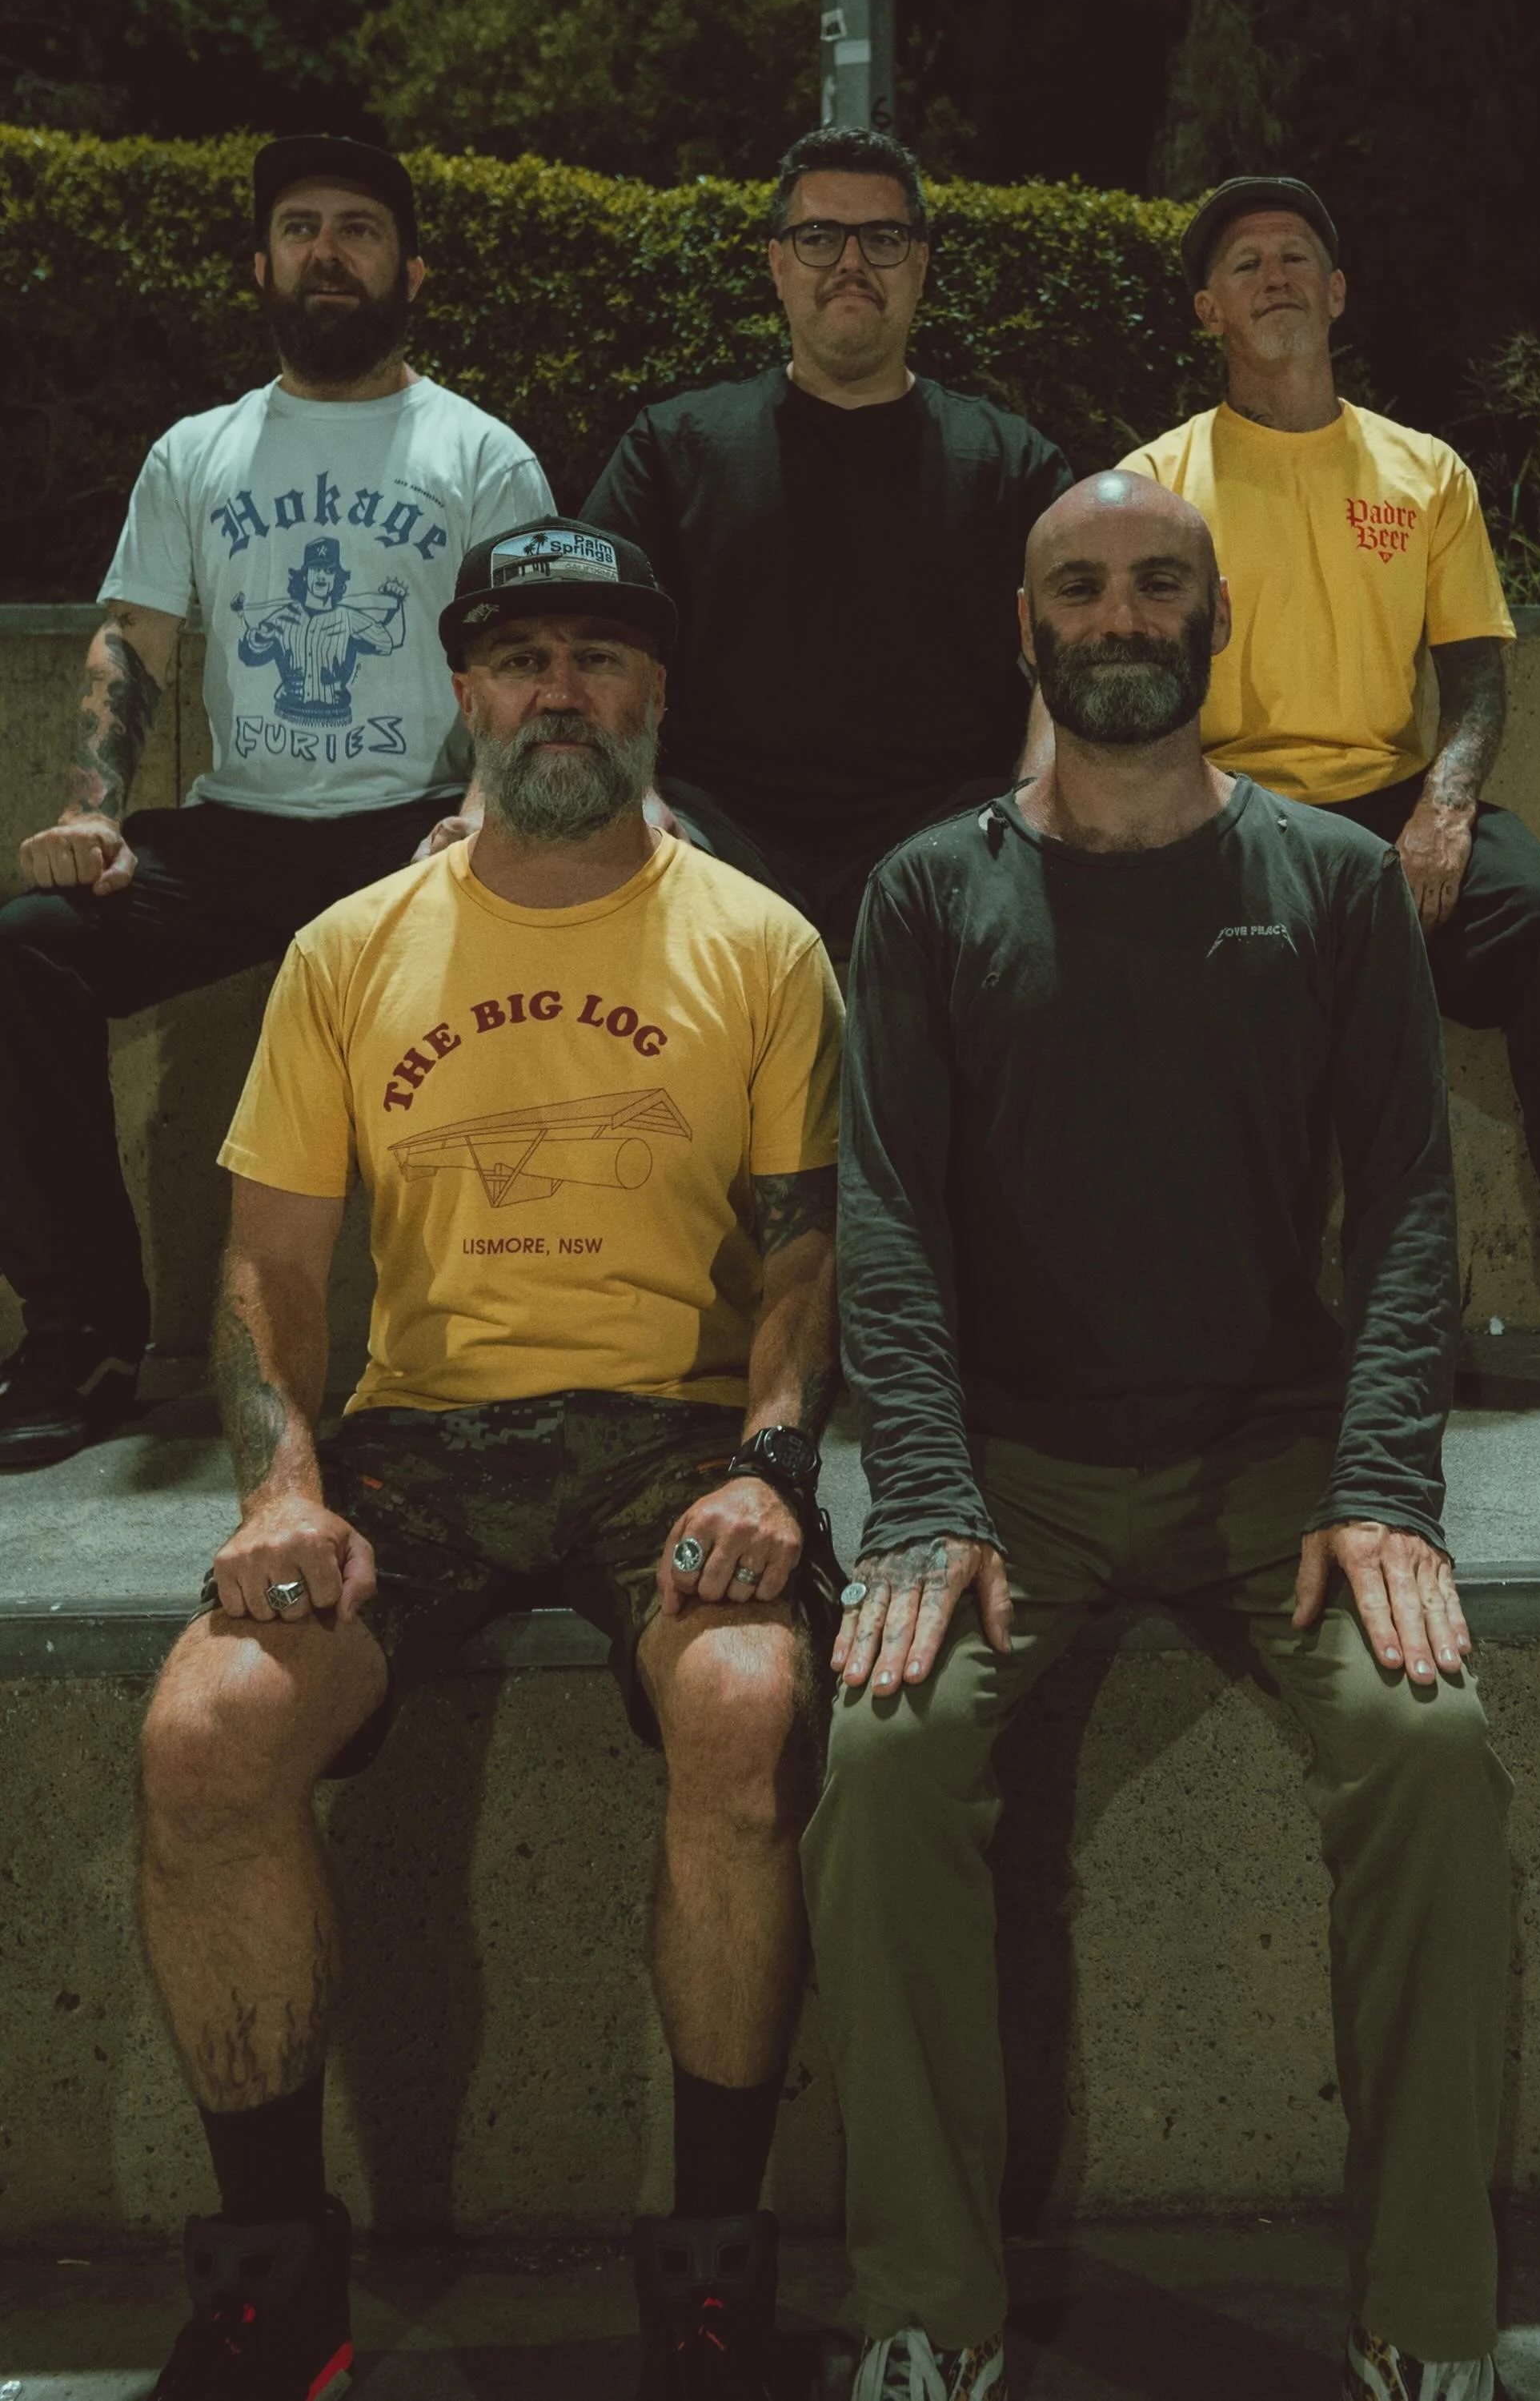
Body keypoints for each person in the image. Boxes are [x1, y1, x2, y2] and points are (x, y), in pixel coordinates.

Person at [804, 473, 1513, 2401]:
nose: (1119, 617)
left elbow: (1412, 1202)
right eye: (1080, 588)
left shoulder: (1334, 883)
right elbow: (887, 1215)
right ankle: (930, 2312)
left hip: (1273, 1457)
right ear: (1026, 629)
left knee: (1430, 1748)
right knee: (882, 1762)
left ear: (1216, 621)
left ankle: (1431, 2319)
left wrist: (1382, 1482)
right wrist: (925, 1495)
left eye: (1155, 585)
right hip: (1010, 1467)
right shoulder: (930, 892)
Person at [134, 518, 844, 2401]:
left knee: (747, 1700)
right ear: (464, 690)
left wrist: (770, 1471)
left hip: (672, 1436)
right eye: (521, 658)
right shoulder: (348, 949)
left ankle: (711, 2276)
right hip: (421, 1441)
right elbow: (270, 1271)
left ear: (656, 691)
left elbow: (802, 1267)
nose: (559, 692)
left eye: (599, 657)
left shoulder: (761, 943)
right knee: (206, 1734)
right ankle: (276, 2286)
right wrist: (282, 1488)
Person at [0, 135, 552, 1468]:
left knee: (540, 949)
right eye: (301, 227)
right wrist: (91, 811)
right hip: (238, 834)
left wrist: (488, 809)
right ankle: (85, 1332)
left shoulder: (479, 453)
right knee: (26, 949)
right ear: (261, 265)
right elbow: (135, 640)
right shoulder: (199, 452)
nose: (327, 251)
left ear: (410, 271)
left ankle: (514, 1345)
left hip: (414, 828)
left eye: (358, 228)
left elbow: (530, 654)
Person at [1123, 172, 1540, 1438]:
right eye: (1243, 264)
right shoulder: (1159, 482)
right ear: (1207, 310)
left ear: (1336, 293)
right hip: (1238, 806)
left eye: (1295, 255)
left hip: (1395, 799)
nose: (1273, 275)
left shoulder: (1421, 469)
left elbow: (1477, 675)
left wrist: (1444, 807)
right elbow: (1139, 687)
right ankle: (1240, 1328)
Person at [582, 124, 1071, 955]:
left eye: (882, 238)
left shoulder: (1011, 465)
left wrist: (1036, 801)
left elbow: (1072, 654)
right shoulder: (674, 449)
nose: (851, 263)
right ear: (777, 264)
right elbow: (592, 634)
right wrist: (636, 795)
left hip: (950, 842)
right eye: (818, 237)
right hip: (710, 838)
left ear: (920, 264)